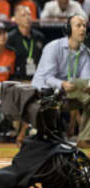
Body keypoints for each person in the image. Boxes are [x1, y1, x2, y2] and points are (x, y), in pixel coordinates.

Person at [31, 15, 90, 147]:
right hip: (44, 92)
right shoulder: (53, 47)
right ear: (68, 29)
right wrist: (62, 84)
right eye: (78, 26)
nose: (83, 29)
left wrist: (80, 85)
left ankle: (84, 139)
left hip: (68, 91)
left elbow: (85, 80)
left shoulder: (86, 52)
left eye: (84, 26)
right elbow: (47, 77)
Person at [7, 5, 45, 82]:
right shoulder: (10, 38)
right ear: (16, 20)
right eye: (23, 15)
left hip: (37, 78)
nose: (27, 18)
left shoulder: (39, 36)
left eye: (29, 15)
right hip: (17, 79)